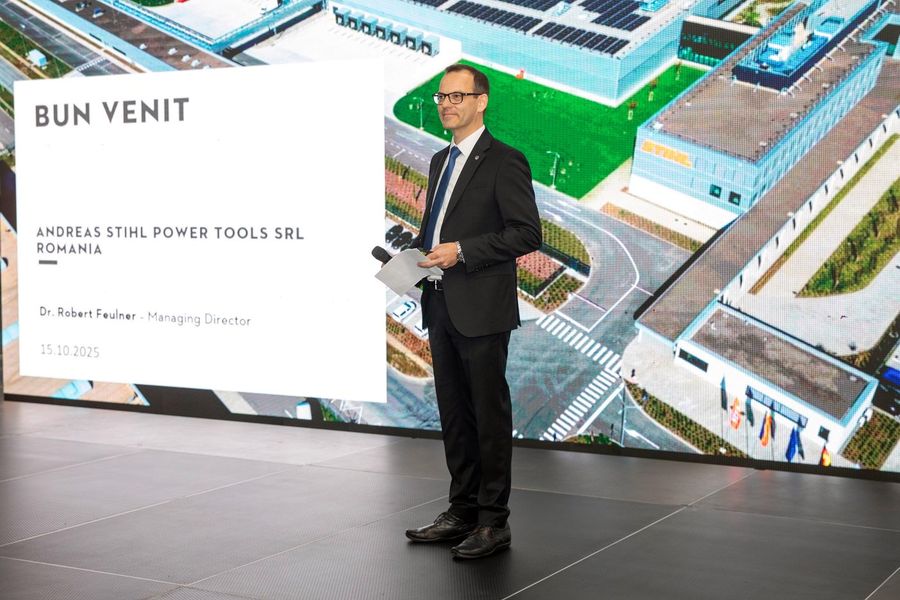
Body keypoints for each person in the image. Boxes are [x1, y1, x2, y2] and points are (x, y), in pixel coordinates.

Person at [404, 64, 541, 559]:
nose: (447, 104)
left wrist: (461, 251)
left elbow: (526, 233)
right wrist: (414, 257)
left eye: (457, 96)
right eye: (442, 96)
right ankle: (460, 510)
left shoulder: (505, 160)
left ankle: (492, 522)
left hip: (481, 308)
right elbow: (437, 228)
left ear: (481, 101)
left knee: (487, 415)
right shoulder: (440, 159)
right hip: (439, 302)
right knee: (455, 415)